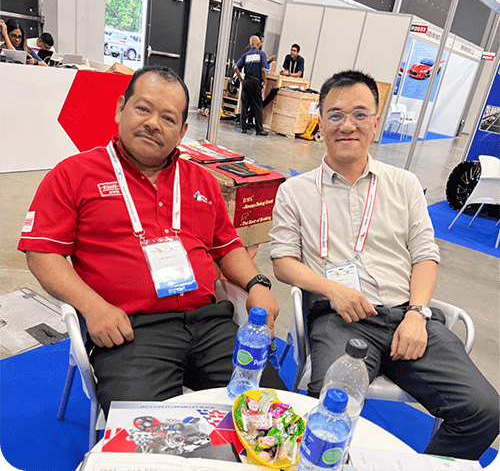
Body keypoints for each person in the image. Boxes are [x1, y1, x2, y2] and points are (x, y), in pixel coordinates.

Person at [18, 65, 287, 416]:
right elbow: (42, 253)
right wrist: (93, 308)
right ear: (121, 108)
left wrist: (257, 284)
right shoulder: (73, 175)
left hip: (210, 325)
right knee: (144, 431)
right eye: (143, 108)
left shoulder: (203, 182)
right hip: (131, 331)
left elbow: (227, 247)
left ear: (182, 131)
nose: (153, 123)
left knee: (271, 417)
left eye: (168, 118)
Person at [269, 70, 499, 460]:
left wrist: (417, 313)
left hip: (407, 317)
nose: (347, 125)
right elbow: (282, 261)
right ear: (320, 122)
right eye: (336, 115)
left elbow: (425, 256)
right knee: (328, 409)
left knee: (484, 411)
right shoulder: (294, 191)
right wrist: (333, 289)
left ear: (375, 123)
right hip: (340, 319)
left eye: (360, 114)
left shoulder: (404, 185)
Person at [234, 35, 268, 136]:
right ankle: (259, 130)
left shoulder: (246, 55)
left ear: (250, 44)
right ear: (258, 44)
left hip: (246, 80)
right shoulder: (261, 54)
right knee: (258, 105)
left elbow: (236, 67)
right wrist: (265, 82)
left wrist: (241, 79)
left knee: (245, 105)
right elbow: (263, 70)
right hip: (255, 82)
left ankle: (243, 128)